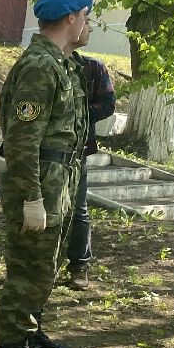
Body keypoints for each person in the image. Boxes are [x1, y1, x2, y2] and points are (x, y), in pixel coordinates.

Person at [0, 0, 92, 348]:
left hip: (57, 182)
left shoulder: (61, 62)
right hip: (39, 186)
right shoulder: (40, 65)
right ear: (70, 18)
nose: (89, 24)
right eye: (86, 15)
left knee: (42, 270)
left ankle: (29, 341)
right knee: (26, 275)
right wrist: (31, 197)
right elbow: (22, 139)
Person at [62, 50, 116, 290]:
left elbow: (108, 103)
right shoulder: (44, 63)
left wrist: (77, 113)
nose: (88, 26)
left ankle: (79, 266)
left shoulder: (92, 67)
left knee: (78, 209)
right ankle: (42, 266)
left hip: (78, 149)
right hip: (44, 151)